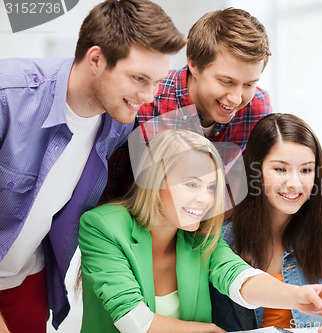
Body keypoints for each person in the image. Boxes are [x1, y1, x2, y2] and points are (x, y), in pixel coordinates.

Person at [0, 1, 186, 331]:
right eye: (139, 78)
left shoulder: (118, 123)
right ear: (96, 59)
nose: (150, 95)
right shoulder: (8, 96)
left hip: (26, 278)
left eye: (157, 81)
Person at [78, 130, 322, 333]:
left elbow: (240, 278)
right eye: (192, 184)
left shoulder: (200, 236)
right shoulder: (102, 227)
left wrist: (296, 296)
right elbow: (134, 321)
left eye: (211, 188)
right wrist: (210, 331)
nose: (205, 199)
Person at [210, 113, 322, 330]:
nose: (294, 183)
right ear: (254, 171)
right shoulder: (224, 238)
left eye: (306, 170)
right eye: (280, 169)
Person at [101, 7, 273, 203]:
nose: (235, 98)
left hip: (203, 220)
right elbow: (106, 187)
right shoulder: (146, 101)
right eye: (226, 81)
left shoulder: (257, 107)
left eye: (249, 84)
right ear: (194, 64)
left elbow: (242, 183)